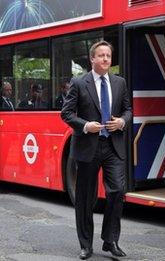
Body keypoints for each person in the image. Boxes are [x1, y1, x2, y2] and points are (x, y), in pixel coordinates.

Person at [61, 40, 132, 260]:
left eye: (108, 56)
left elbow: (129, 109)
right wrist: (85, 126)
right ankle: (85, 245)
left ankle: (110, 240)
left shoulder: (119, 83)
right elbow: (66, 113)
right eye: (101, 55)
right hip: (87, 146)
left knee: (117, 191)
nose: (105, 59)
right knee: (85, 198)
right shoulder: (79, 82)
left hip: (113, 145)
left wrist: (121, 121)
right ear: (92, 59)